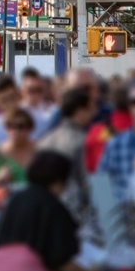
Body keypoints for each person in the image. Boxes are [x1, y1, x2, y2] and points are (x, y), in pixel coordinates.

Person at [37, 86, 95, 217]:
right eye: (89, 109)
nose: (93, 113)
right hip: (72, 209)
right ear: (79, 111)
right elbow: (85, 181)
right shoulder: (81, 141)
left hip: (44, 206)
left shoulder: (45, 140)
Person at [0, 109, 37, 205]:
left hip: (37, 206)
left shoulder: (41, 152)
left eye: (20, 126)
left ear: (30, 128)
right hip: (8, 209)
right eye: (10, 126)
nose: (15, 131)